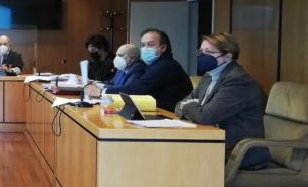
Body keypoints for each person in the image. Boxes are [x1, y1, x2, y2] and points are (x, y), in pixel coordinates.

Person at [175, 33, 269, 169]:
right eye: (201, 51)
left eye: (208, 52)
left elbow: (205, 117)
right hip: (214, 145)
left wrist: (193, 108)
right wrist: (194, 108)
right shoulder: (208, 77)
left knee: (179, 159)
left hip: (237, 153)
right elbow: (179, 105)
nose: (202, 56)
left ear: (228, 55)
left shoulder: (237, 81)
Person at [87, 28, 191, 112]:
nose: (145, 48)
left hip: (171, 116)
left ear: (163, 48)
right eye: (143, 45)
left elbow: (136, 89)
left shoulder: (165, 66)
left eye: (150, 44)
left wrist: (101, 92)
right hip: (159, 111)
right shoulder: (154, 65)